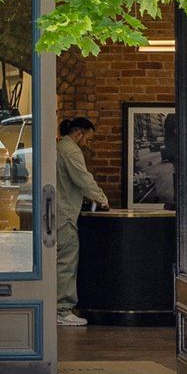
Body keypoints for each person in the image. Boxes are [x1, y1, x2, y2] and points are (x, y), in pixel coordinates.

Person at [56, 114, 109, 326]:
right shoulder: (70, 151)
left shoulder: (61, 148)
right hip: (65, 213)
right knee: (66, 261)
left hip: (59, 212)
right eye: (87, 138)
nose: (87, 143)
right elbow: (83, 180)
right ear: (78, 134)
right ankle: (62, 309)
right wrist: (102, 199)